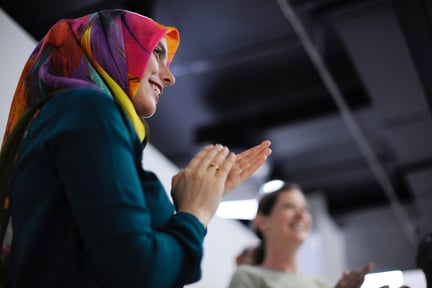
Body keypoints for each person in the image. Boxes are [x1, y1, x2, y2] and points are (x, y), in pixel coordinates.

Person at [0, 9, 272, 288]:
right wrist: (196, 212)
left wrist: (200, 201)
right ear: (110, 48)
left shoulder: (69, 117)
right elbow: (139, 271)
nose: (170, 77)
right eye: (157, 52)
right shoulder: (89, 110)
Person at [228, 182, 374, 288]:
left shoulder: (322, 285)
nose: (301, 215)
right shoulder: (248, 277)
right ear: (262, 222)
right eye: (289, 206)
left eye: (305, 209)